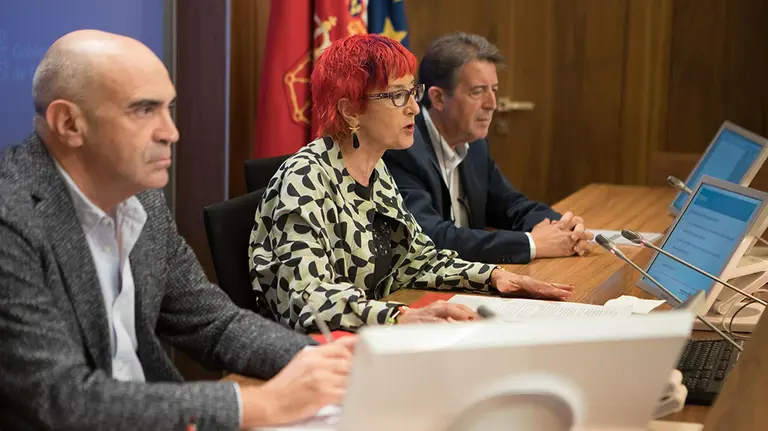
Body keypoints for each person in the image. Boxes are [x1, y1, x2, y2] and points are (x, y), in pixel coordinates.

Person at [0, 30, 355, 430]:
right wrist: (258, 406)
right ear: (68, 123)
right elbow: (59, 399)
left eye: (169, 108)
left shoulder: (142, 202)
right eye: (143, 110)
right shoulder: (10, 217)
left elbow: (214, 324)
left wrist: (323, 361)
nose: (171, 132)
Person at [248, 34, 574, 334]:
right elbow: (309, 298)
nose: (414, 108)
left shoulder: (376, 173)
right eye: (397, 96)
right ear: (351, 112)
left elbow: (417, 261)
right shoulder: (305, 179)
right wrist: (401, 316)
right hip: (312, 362)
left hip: (375, 343)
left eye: (412, 92)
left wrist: (495, 276)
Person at [382, 32, 593, 265]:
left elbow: (512, 206)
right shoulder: (403, 148)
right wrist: (531, 244)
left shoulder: (475, 145)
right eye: (478, 91)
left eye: (494, 89)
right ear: (438, 98)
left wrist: (565, 228)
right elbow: (431, 237)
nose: (492, 104)